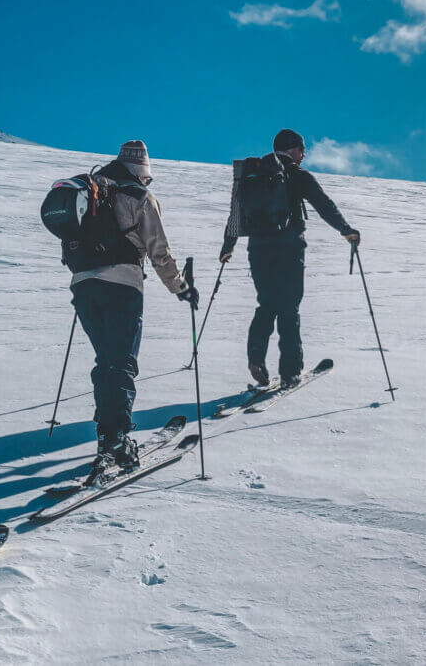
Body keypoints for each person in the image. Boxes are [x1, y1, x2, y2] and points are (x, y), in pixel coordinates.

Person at [70, 140, 198, 474]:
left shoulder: (91, 191)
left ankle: (107, 432)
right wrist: (180, 287)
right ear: (143, 171)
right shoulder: (139, 196)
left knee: (106, 361)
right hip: (122, 286)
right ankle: (117, 440)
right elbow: (159, 251)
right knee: (121, 363)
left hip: (83, 286)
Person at [219, 129, 359, 388]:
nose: (304, 154)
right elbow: (323, 204)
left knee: (266, 305)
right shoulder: (297, 175)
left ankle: (256, 359)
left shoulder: (252, 174)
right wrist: (346, 230)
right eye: (302, 149)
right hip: (289, 249)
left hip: (258, 249)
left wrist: (228, 246)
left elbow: (236, 211)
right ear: (292, 149)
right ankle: (290, 372)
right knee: (289, 309)